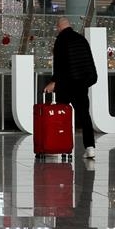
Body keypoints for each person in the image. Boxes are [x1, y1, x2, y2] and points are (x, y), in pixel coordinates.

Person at [43, 17, 98, 159]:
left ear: (59, 27)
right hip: (81, 84)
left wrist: (54, 82)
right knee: (85, 116)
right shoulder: (81, 39)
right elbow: (88, 62)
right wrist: (86, 81)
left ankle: (61, 145)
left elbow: (60, 65)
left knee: (62, 117)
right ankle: (90, 147)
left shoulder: (61, 40)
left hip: (66, 85)